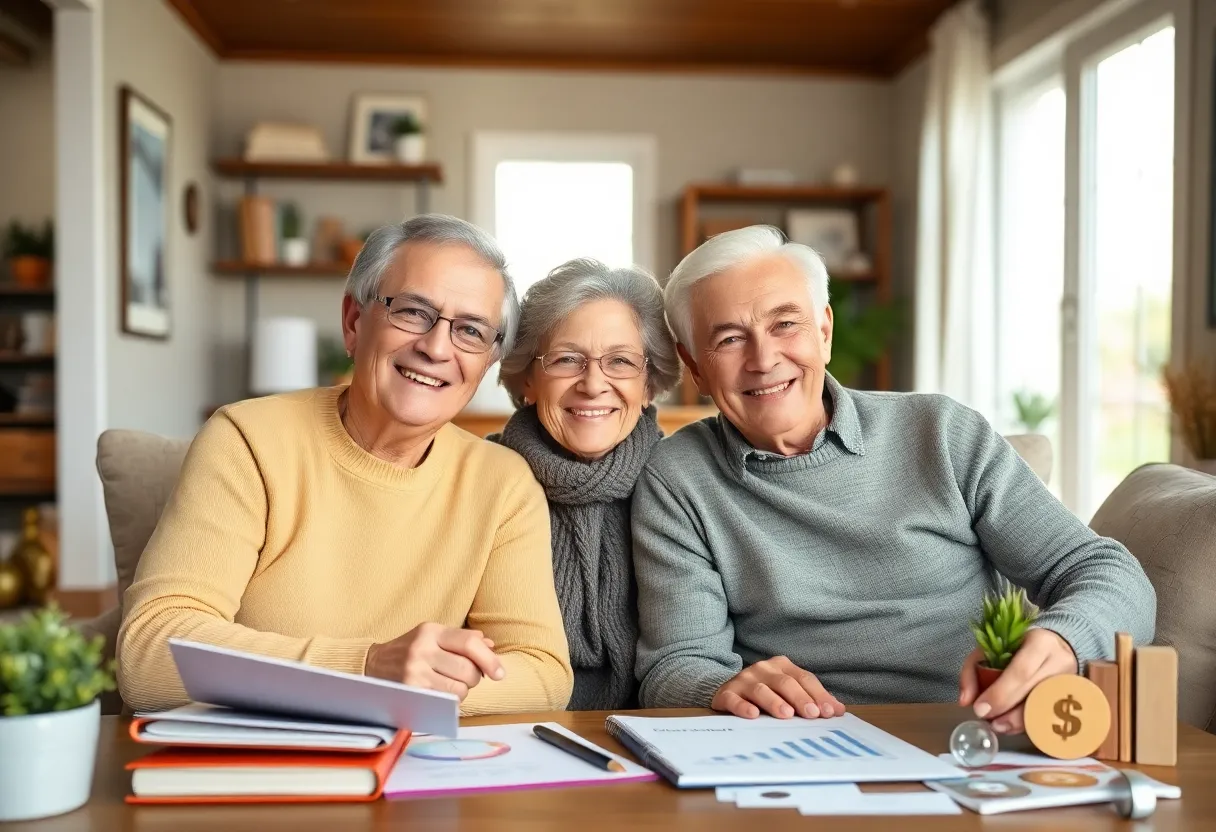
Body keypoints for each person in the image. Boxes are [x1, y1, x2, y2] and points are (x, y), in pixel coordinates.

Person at [631, 225, 1156, 736]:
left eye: (785, 325)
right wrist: (720, 687)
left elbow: (1106, 571)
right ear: (695, 367)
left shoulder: (942, 433)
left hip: (968, 736)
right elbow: (675, 664)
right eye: (729, 338)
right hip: (794, 744)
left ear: (824, 332)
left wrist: (1065, 640)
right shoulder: (679, 478)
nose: (764, 359)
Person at [118, 214, 574, 715]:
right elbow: (149, 656)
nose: (436, 347)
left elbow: (543, 672)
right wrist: (368, 670)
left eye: (470, 330)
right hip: (260, 768)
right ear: (354, 323)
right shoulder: (246, 441)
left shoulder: (503, 485)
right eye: (413, 312)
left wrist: (412, 686)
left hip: (412, 774)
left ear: (487, 362)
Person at [491, 259, 681, 709]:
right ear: (528, 381)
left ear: (649, 383)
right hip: (508, 725)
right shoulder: (483, 480)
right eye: (566, 359)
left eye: (620, 361)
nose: (593, 384)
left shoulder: (685, 485)